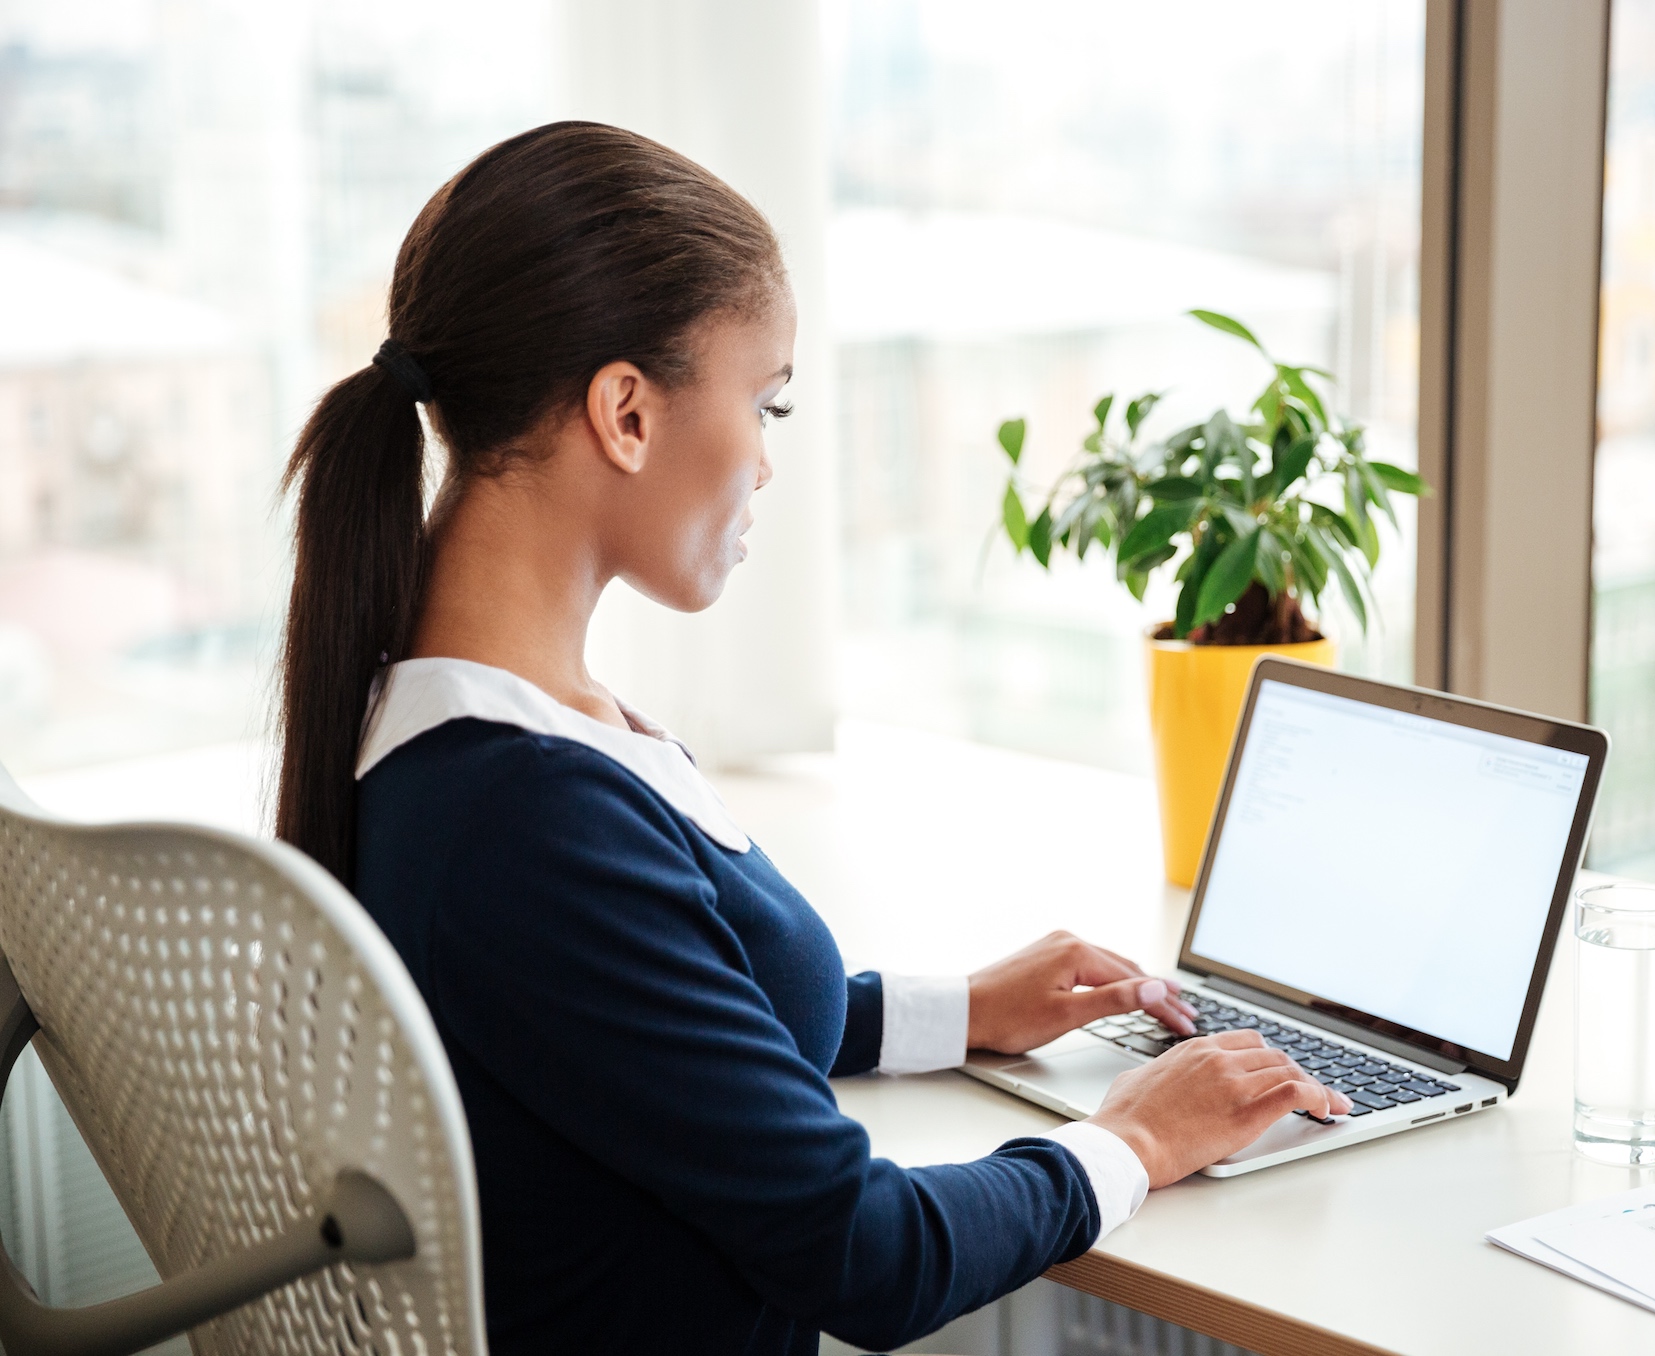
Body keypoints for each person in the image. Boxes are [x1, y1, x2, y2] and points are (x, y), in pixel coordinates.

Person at [274, 121, 1346, 1356]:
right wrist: (1133, 1139)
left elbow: (673, 1037)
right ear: (625, 411)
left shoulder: (461, 723)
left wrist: (959, 1010)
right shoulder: (527, 821)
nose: (768, 465)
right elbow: (866, 1255)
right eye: (763, 402)